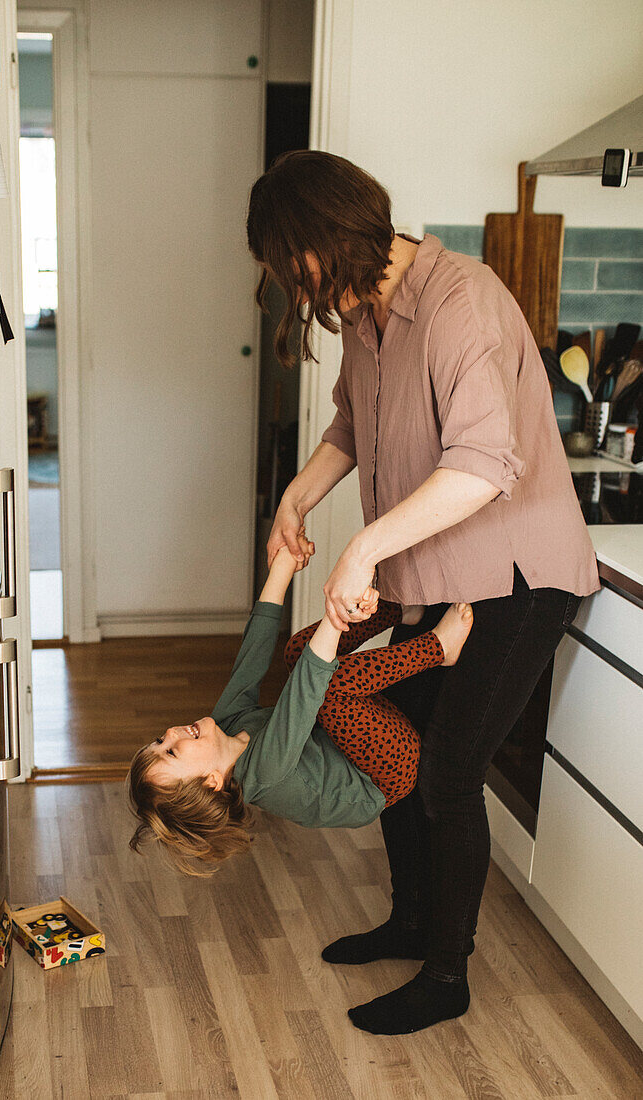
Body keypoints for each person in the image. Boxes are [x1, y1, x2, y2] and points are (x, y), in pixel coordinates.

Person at [246, 149, 600, 1035]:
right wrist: (299, 495)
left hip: (516, 582)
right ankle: (411, 921)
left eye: (297, 265)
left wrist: (361, 550)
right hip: (435, 578)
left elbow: (482, 466)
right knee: (393, 755)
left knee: (445, 776)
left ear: (332, 236)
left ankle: (448, 974)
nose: (299, 288)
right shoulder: (367, 314)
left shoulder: (459, 300)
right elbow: (351, 424)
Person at [127, 535, 474, 891]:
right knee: (327, 686)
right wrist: (340, 610)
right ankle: (439, 648)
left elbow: (253, 655)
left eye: (159, 740)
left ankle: (402, 611)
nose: (171, 732)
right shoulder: (265, 772)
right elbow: (307, 689)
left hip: (354, 742)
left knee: (295, 651)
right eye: (171, 751)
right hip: (386, 775)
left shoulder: (228, 726)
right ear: (212, 781)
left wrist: (281, 568)